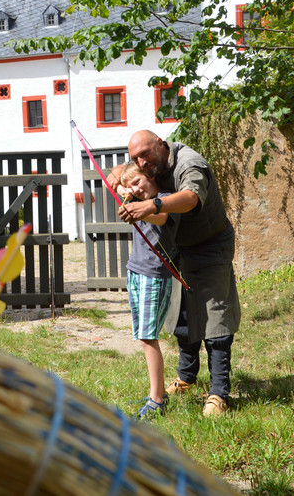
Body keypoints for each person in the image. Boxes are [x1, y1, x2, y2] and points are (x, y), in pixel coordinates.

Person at [107, 130, 241, 416]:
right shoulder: (151, 165)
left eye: (145, 154)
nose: (141, 163)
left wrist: (151, 205)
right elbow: (131, 169)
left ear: (160, 144)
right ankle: (187, 377)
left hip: (209, 245)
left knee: (214, 318)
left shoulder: (189, 163)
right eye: (135, 158)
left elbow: (191, 197)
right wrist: (119, 171)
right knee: (182, 315)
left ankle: (218, 392)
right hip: (179, 248)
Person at [115, 162, 179, 420]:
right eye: (130, 186)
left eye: (139, 182)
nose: (135, 190)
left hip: (155, 275)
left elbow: (160, 217)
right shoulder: (133, 196)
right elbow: (116, 179)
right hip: (135, 271)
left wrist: (138, 210)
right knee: (144, 336)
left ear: (151, 176)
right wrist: (123, 188)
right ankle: (157, 392)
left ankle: (157, 399)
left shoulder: (163, 200)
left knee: (148, 337)